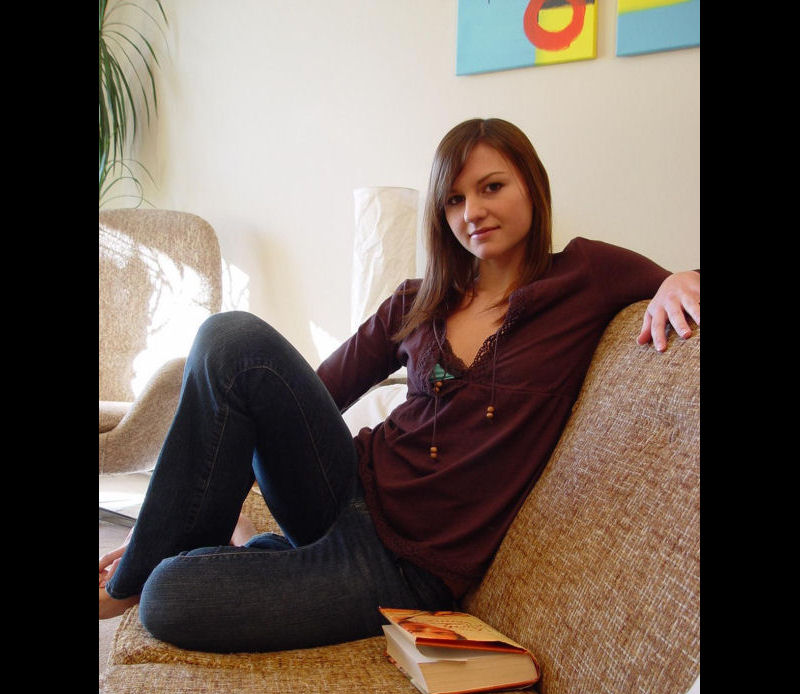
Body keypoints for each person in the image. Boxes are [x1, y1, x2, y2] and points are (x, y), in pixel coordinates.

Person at [99, 118, 700, 653]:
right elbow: (301, 396)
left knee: (170, 597)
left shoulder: (587, 275)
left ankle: (215, 558)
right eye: (454, 199)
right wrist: (190, 509)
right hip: (340, 488)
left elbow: (685, 282)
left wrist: (679, 278)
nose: (472, 212)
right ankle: (149, 562)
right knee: (230, 338)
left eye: (492, 187)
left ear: (532, 186)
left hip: (404, 567)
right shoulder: (419, 301)